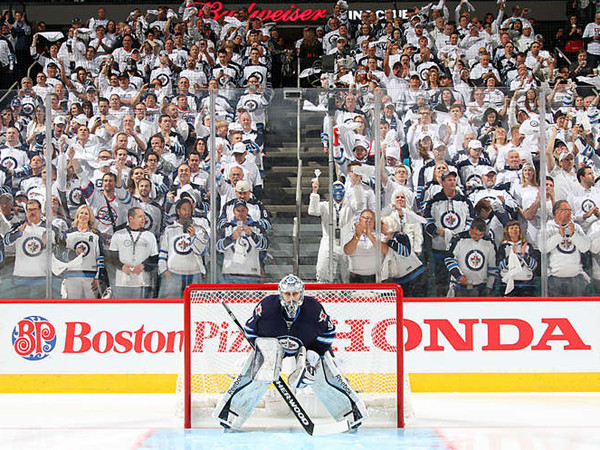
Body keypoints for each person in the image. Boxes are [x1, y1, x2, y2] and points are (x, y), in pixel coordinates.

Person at [214, 274, 366, 431]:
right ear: (281, 294)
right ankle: (231, 415)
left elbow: (329, 333)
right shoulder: (266, 307)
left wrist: (315, 354)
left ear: (302, 293)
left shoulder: (313, 309)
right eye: (287, 294)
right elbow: (250, 331)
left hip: (307, 346)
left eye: (295, 294)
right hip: (273, 345)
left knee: (324, 374)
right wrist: (261, 353)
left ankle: (350, 414)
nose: (291, 298)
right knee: (259, 372)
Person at [158, 198, 209, 298]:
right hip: (173, 275)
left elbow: (202, 251)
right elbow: (163, 252)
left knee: (195, 306)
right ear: (178, 211)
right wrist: (164, 270)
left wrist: (193, 237)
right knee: (171, 305)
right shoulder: (169, 230)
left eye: (189, 209)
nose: (187, 212)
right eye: (184, 209)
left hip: (195, 274)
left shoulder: (199, 230)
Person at [107, 207, 158, 298]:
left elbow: (154, 258)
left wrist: (143, 266)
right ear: (131, 218)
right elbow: (112, 257)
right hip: (122, 282)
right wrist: (122, 266)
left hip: (143, 282)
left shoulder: (150, 236)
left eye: (144, 216)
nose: (143, 219)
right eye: (140, 216)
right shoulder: (118, 234)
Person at [62, 205, 108, 299]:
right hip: (72, 276)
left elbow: (100, 257)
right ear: (77, 215)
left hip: (90, 276)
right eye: (81, 213)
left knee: (91, 305)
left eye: (86, 213)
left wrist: (98, 277)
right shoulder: (68, 234)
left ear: (90, 217)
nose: (83, 215)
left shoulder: (95, 234)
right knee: (73, 305)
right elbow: (63, 255)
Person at [545, 200, 590, 296]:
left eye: (570, 210)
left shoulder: (576, 227)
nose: (570, 213)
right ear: (557, 212)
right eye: (566, 210)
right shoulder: (547, 227)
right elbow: (543, 248)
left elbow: (585, 247)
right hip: (554, 278)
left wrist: (574, 235)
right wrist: (559, 236)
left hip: (576, 278)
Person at [444, 218, 498, 297]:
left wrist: (489, 286)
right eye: (475, 234)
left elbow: (493, 266)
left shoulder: (489, 242)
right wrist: (458, 275)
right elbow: (449, 258)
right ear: (471, 228)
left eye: (481, 235)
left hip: (480, 288)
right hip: (458, 287)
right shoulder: (458, 239)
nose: (478, 237)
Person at [343, 209, 389, 283]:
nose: (368, 221)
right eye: (366, 218)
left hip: (375, 278)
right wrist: (357, 236)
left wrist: (370, 235)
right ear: (360, 219)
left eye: (371, 219)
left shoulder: (380, 235)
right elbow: (347, 250)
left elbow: (385, 250)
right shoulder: (351, 235)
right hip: (356, 279)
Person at [496, 220, 538, 296]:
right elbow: (501, 267)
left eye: (516, 228)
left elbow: (534, 266)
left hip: (527, 286)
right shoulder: (503, 247)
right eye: (512, 228)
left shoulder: (527, 246)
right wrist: (512, 256)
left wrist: (524, 255)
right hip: (508, 286)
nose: (514, 230)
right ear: (507, 231)